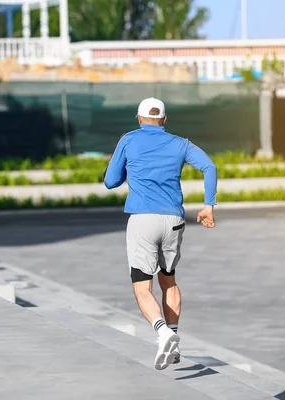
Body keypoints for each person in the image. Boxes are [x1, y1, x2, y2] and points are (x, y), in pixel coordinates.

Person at [104, 97, 217, 370]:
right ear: (164, 120)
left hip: (143, 220)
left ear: (139, 118)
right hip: (174, 220)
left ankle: (163, 332)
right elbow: (209, 166)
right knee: (169, 280)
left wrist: (128, 172)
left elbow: (110, 181)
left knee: (142, 286)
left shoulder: (129, 140)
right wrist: (208, 206)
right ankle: (174, 337)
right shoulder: (180, 143)